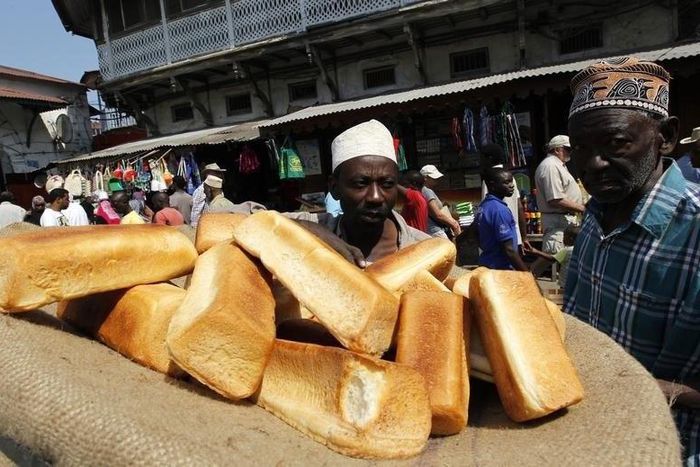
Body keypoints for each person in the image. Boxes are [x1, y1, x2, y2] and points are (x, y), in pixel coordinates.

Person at [564, 57, 700, 464]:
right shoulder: (596, 214)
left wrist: (635, 387)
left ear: (667, 137)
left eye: (616, 144)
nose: (592, 165)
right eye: (581, 150)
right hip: (589, 438)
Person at [289, 119, 430, 265]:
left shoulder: (424, 251)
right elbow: (263, 219)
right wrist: (307, 229)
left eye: (387, 184)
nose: (375, 197)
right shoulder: (311, 228)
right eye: (360, 183)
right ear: (334, 188)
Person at [534, 135, 585, 253]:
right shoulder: (550, 166)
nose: (570, 152)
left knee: (562, 258)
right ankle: (530, 272)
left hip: (564, 221)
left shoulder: (559, 165)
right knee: (555, 256)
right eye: (567, 149)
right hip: (557, 222)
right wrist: (582, 208)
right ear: (557, 150)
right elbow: (555, 199)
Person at [476, 168, 528, 271]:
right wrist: (526, 274)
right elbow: (509, 250)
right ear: (492, 185)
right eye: (506, 182)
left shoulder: (483, 206)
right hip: (501, 270)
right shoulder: (499, 210)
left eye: (511, 181)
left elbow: (474, 235)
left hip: (487, 265)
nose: (512, 185)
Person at [480, 143, 529, 249]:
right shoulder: (510, 177)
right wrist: (523, 237)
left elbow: (485, 210)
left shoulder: (491, 179)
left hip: (498, 239)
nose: (480, 162)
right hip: (513, 235)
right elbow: (519, 206)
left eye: (482, 158)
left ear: (490, 158)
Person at [527, 225, 580, 290]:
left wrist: (536, 251)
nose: (563, 239)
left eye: (564, 237)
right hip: (576, 283)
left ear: (570, 239)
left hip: (565, 284)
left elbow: (552, 259)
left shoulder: (566, 250)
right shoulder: (580, 249)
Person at [420, 164, 461, 238]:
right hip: (435, 231)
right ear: (425, 178)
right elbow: (438, 215)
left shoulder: (426, 190)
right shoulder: (426, 191)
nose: (437, 179)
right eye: (433, 178)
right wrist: (454, 225)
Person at [191, 163, 226, 227]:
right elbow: (196, 211)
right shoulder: (201, 190)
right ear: (208, 174)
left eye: (219, 173)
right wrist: (195, 228)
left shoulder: (218, 187)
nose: (219, 175)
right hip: (206, 224)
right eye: (216, 173)